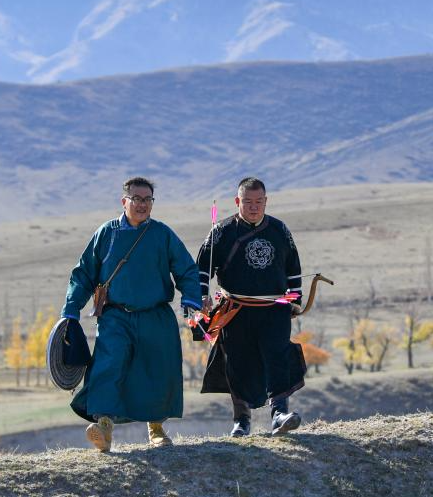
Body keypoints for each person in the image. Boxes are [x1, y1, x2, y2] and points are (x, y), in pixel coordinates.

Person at [61, 176, 202, 452]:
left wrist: (191, 300)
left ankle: (156, 429)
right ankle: (104, 427)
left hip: (155, 316)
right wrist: (71, 309)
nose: (142, 204)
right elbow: (84, 273)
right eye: (136, 199)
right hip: (115, 316)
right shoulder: (107, 233)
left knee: (156, 370)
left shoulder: (162, 234)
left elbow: (186, 269)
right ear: (124, 201)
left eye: (148, 199)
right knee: (108, 366)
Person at [197, 177, 306, 437]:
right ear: (238, 201)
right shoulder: (221, 232)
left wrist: (295, 299)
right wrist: (201, 297)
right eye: (248, 202)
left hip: (274, 309)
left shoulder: (280, 230)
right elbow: (201, 268)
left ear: (266, 201)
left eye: (259, 202)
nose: (254, 207)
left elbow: (293, 267)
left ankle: (279, 415)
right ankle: (241, 421)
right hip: (235, 311)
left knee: (278, 357)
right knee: (237, 362)